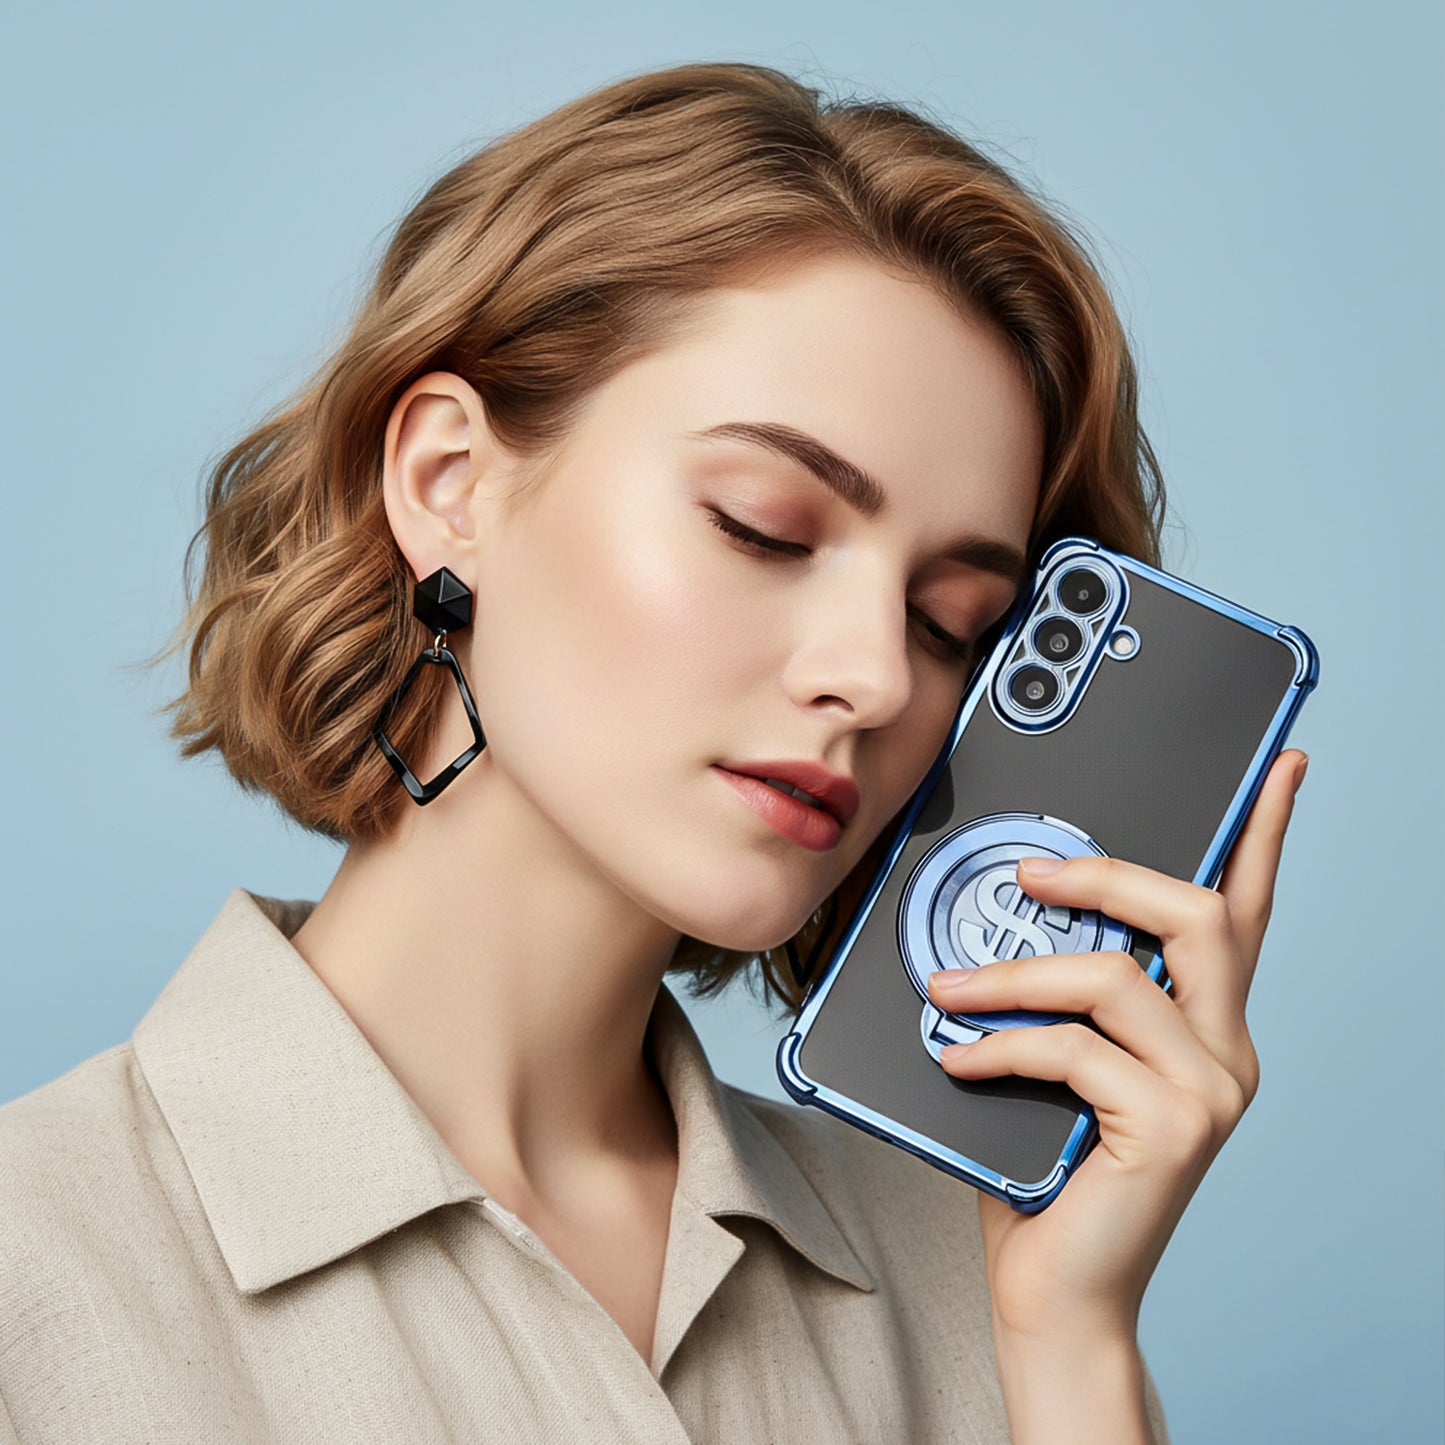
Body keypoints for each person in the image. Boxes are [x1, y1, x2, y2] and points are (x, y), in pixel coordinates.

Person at [0, 61, 1305, 1443]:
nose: (870, 674)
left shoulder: (982, 1280)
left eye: (950, 622)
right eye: (763, 525)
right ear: (450, 484)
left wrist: (1071, 1348)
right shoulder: (44, 1270)